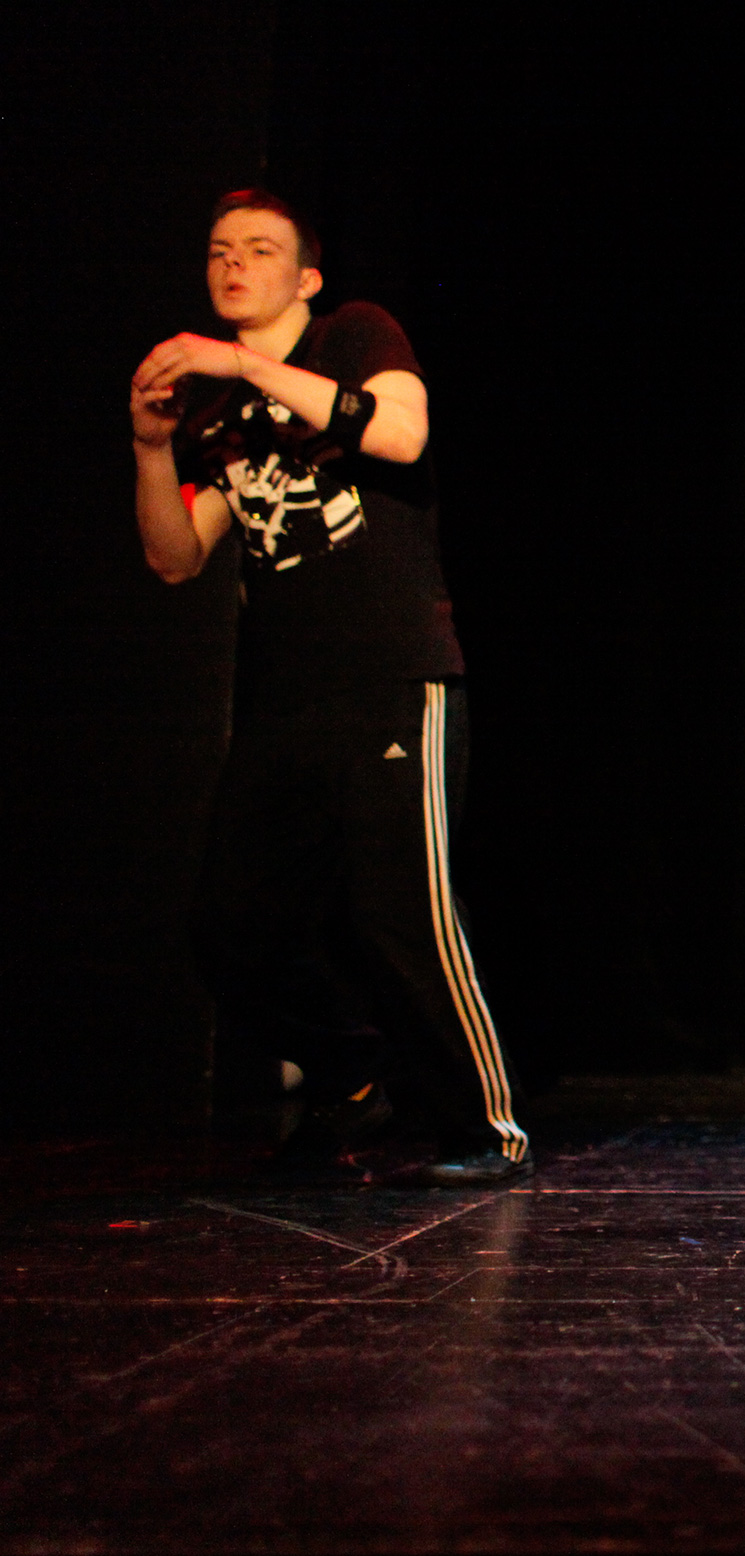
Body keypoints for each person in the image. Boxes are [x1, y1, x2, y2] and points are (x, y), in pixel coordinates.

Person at [129, 190, 528, 1186]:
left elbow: (400, 436)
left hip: (392, 677)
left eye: (260, 250)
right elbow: (177, 557)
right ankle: (350, 1075)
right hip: (289, 702)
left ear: (306, 276)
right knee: (229, 928)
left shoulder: (354, 334)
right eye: (219, 250)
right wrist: (150, 448)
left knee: (405, 917)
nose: (234, 265)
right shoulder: (215, 411)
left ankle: (486, 1127)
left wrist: (247, 366)